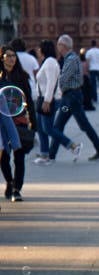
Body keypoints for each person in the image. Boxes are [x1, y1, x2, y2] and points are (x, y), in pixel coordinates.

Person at [47, 35, 99, 162]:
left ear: (63, 46)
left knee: (83, 125)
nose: (57, 47)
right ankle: (51, 154)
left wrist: (55, 88)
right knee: (58, 125)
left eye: (58, 44)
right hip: (69, 97)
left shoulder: (71, 59)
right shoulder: (70, 58)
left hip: (72, 97)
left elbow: (63, 79)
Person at [0, 45, 36, 202]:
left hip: (19, 120)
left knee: (19, 156)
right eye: (7, 56)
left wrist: (34, 122)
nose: (11, 58)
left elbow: (28, 99)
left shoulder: (22, 76)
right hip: (2, 122)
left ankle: (17, 189)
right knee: (3, 157)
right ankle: (9, 181)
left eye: (13, 55)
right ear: (2, 58)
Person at [33, 39, 60, 165]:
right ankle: (44, 154)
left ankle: (72, 145)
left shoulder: (49, 62)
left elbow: (51, 82)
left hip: (46, 100)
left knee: (47, 128)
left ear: (44, 49)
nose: (38, 50)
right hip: (42, 99)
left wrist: (47, 100)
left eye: (40, 48)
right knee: (41, 128)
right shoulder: (47, 62)